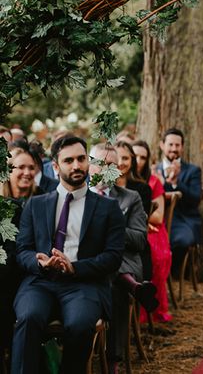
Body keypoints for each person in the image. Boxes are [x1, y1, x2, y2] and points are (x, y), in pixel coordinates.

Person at [11, 135, 125, 374]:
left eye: (82, 159)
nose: (76, 165)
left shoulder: (108, 207)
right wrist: (38, 261)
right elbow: (22, 251)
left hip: (84, 284)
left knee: (80, 324)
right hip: (40, 282)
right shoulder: (36, 204)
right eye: (69, 160)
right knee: (29, 317)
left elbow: (114, 257)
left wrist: (76, 267)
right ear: (55, 166)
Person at [89, 143, 155, 371]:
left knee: (113, 286)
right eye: (100, 164)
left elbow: (139, 240)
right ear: (90, 166)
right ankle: (134, 287)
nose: (105, 170)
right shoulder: (77, 197)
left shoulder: (131, 198)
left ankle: (113, 361)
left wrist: (113, 228)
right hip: (87, 264)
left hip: (123, 262)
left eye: (111, 165)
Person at [0, 148, 40, 356]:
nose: (27, 172)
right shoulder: (3, 205)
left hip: (28, 275)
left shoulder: (43, 199)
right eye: (20, 167)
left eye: (31, 167)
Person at [132, 139, 173, 323]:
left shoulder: (153, 181)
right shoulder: (118, 180)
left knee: (154, 256)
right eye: (135, 156)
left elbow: (158, 216)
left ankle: (152, 308)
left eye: (143, 157)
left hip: (154, 231)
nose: (138, 161)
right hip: (135, 228)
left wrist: (136, 219)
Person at [154, 128, 202, 267]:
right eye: (170, 144)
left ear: (182, 147)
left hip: (183, 221)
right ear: (162, 145)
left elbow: (195, 199)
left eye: (177, 145)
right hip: (157, 218)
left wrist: (176, 183)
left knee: (182, 241)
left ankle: (172, 271)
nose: (174, 149)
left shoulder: (193, 170)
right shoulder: (154, 170)